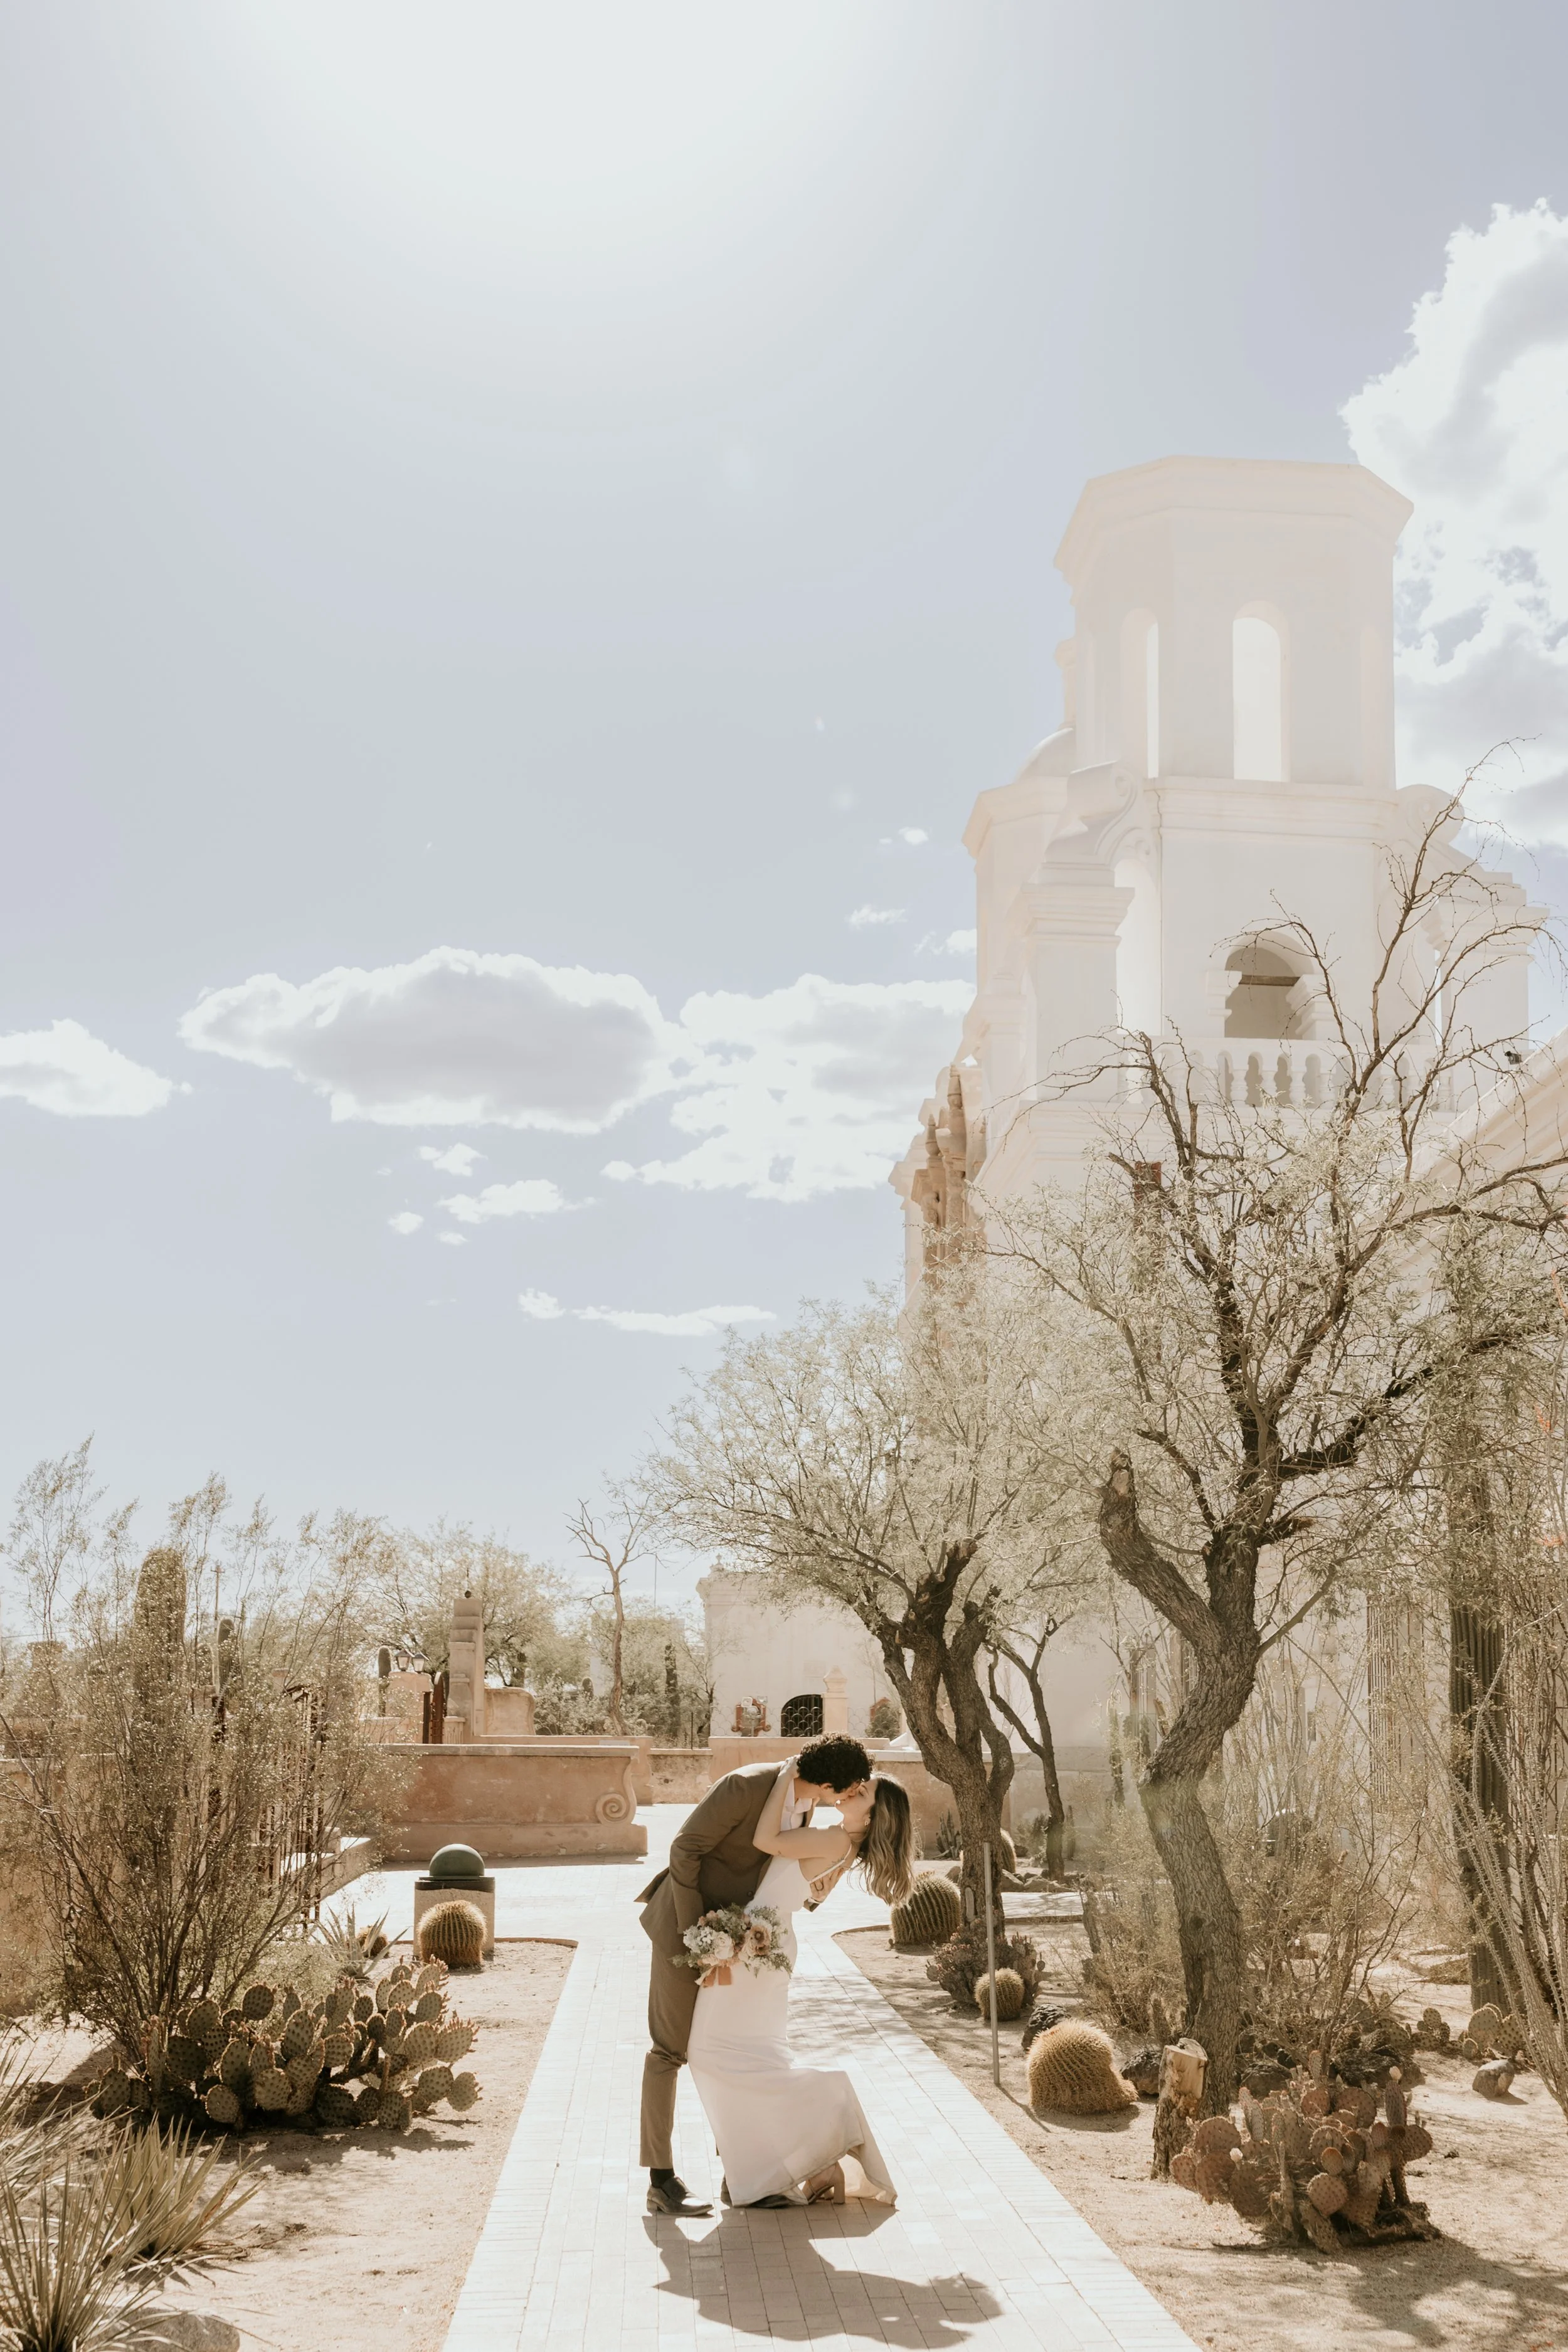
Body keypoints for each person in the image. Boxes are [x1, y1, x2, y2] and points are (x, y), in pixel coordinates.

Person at [637, 1733, 873, 2217]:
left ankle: (742, 2175)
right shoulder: (746, 1787)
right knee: (671, 2049)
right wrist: (693, 1934)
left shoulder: (805, 1807)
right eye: (847, 1791)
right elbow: (684, 1851)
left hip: (739, 1946)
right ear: (829, 1783)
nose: (846, 1799)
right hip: (685, 1932)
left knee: (731, 2051)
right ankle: (661, 2181)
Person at [686, 1759, 916, 2209]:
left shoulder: (834, 1839)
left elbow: (765, 1840)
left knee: (711, 2055)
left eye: (862, 1794)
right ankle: (800, 2166)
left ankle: (832, 2105)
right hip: (765, 1948)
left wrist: (786, 1778)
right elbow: (809, 1893)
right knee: (755, 2057)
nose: (851, 1792)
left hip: (757, 1954)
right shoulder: (843, 1845)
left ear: (870, 1817)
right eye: (857, 1786)